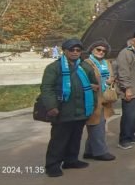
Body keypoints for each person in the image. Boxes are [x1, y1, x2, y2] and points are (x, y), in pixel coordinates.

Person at [41, 39, 97, 177]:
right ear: (65, 51)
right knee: (59, 139)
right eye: (72, 50)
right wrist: (51, 106)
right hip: (62, 110)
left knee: (75, 137)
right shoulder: (54, 68)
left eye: (78, 50)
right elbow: (47, 88)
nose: (75, 52)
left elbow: (93, 84)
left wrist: (92, 102)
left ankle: (71, 160)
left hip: (81, 110)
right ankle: (52, 165)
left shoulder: (84, 67)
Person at [81, 39, 116, 162]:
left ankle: (89, 151)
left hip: (105, 97)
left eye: (103, 51)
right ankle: (100, 152)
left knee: (99, 123)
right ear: (92, 50)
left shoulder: (106, 62)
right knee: (96, 124)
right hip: (93, 98)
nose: (101, 52)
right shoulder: (86, 64)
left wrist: (110, 80)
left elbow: (111, 75)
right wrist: (91, 85)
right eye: (98, 49)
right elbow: (81, 80)